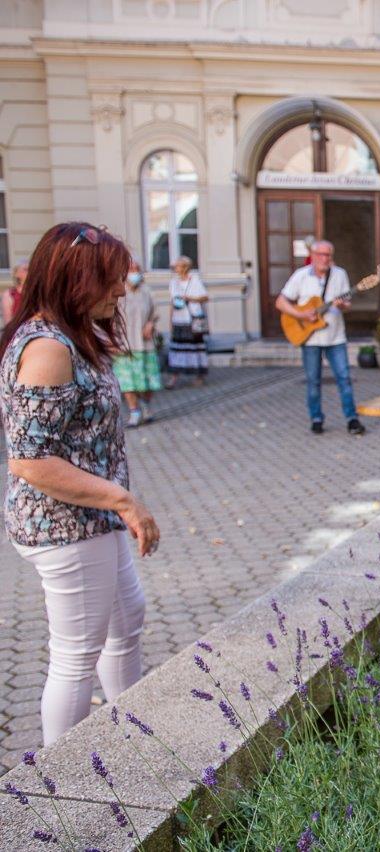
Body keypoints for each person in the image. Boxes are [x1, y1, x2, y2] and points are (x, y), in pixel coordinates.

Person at [0, 222, 161, 746]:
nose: (121, 290)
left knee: (126, 619)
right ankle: (61, 776)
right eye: (110, 278)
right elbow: (30, 461)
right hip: (65, 525)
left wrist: (115, 503)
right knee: (76, 656)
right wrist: (123, 500)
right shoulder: (49, 348)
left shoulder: (73, 335)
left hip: (92, 518)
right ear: (74, 279)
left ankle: (130, 737)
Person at [274, 240, 365, 435]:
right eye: (321, 255)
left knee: (344, 379)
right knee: (313, 381)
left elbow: (346, 303)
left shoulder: (339, 274)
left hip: (335, 337)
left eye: (328, 255)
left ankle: (352, 419)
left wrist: (343, 305)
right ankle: (316, 419)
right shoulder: (301, 276)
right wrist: (301, 315)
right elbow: (280, 302)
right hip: (311, 339)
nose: (325, 259)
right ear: (313, 256)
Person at [112, 260, 162, 427]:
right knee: (127, 381)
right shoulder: (119, 292)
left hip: (145, 344)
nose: (135, 273)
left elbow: (156, 312)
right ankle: (134, 411)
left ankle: (146, 404)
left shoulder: (147, 291)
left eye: (137, 269)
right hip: (124, 344)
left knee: (148, 380)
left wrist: (151, 324)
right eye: (131, 269)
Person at [164, 255, 208, 388]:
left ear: (185, 267)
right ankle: (173, 377)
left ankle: (199, 375)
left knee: (195, 348)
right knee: (177, 348)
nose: (175, 269)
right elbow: (172, 302)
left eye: (177, 266)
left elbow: (205, 297)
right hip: (178, 319)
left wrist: (189, 298)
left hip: (192, 319)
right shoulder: (173, 282)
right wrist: (170, 321)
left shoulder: (195, 280)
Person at [4, 259, 29, 324]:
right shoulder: (10, 294)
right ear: (16, 274)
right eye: (26, 269)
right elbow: (8, 321)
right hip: (18, 328)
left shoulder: (38, 292)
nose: (30, 272)